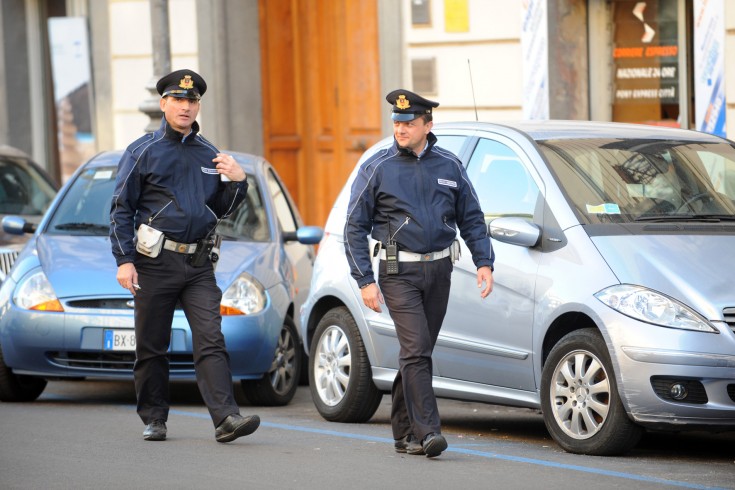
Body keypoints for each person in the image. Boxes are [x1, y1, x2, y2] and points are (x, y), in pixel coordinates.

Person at [110, 69, 260, 443]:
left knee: (211, 339)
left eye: (191, 101)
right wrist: (124, 259)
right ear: (163, 104)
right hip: (154, 263)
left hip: (197, 265)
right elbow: (120, 209)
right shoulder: (141, 151)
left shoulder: (210, 153)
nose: (185, 107)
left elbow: (222, 210)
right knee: (151, 345)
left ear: (198, 106)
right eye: (178, 100)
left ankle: (226, 418)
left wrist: (239, 182)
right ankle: (155, 417)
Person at [344, 89, 495, 458]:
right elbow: (354, 227)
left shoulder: (450, 165)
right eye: (397, 122)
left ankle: (403, 432)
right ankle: (428, 432)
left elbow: (472, 218)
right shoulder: (377, 167)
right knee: (416, 349)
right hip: (397, 271)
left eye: (409, 123)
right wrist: (365, 280)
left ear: (428, 125)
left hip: (440, 270)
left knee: (418, 351)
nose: (401, 128)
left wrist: (484, 262)